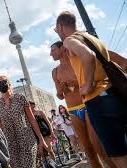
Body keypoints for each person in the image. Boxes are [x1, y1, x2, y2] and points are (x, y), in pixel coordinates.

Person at [55, 11, 127, 167]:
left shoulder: (69, 40)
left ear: (61, 27)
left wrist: (87, 85)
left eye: (56, 29)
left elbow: (87, 55)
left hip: (98, 100)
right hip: (114, 96)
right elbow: (123, 62)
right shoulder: (92, 38)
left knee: (118, 155)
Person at [50, 40, 116, 167]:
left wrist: (76, 84)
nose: (50, 53)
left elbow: (93, 81)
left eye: (53, 49)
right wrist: (62, 90)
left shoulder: (76, 62)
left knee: (98, 146)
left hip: (87, 104)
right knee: (88, 149)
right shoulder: (55, 72)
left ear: (62, 48)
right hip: (73, 110)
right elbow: (59, 95)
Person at [0, 75, 48, 168]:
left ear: (9, 83)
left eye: (3, 81)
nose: (1, 84)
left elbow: (32, 120)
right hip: (10, 145)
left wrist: (41, 139)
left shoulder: (20, 98)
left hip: (27, 140)